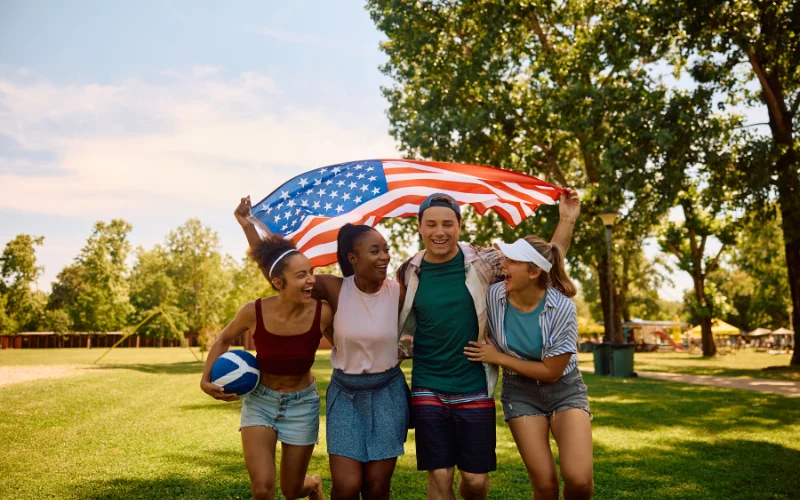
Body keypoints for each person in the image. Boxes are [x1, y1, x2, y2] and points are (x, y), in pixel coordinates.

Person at [395, 190, 579, 500]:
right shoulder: (409, 271)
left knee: (475, 483)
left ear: (460, 226)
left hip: (474, 382)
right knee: (439, 475)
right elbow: (398, 319)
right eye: (431, 224)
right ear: (419, 226)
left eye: (447, 224)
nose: (439, 232)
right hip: (428, 382)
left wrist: (566, 220)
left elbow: (541, 264)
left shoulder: (485, 261)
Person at [235, 197, 409, 500]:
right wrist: (249, 228)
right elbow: (280, 277)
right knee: (346, 486)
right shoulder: (335, 288)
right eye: (375, 250)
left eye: (386, 250)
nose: (384, 257)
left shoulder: (399, 291)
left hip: (387, 393)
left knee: (378, 487)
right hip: (346, 395)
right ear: (353, 258)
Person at [200, 233, 331, 500]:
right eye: (301, 275)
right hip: (260, 401)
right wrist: (205, 379)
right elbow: (224, 339)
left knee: (292, 491)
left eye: (311, 272)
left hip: (302, 404)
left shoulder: (323, 313)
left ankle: (314, 484)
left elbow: (348, 348)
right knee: (262, 489)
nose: (311, 281)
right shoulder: (253, 311)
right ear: (278, 283)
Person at [464, 235, 593, 499]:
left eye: (512, 261)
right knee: (545, 485)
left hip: (564, 390)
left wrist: (498, 357)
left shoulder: (562, 308)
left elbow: (551, 371)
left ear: (534, 272)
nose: (504, 266)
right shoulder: (494, 295)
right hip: (520, 393)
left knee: (579, 480)